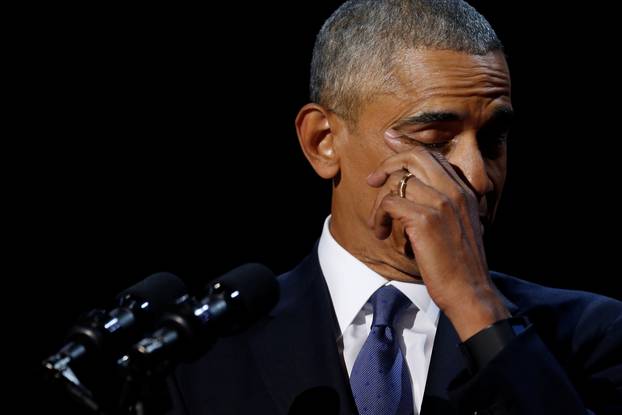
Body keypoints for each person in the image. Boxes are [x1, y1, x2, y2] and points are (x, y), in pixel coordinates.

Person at [167, 1, 622, 414]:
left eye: (493, 139)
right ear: (322, 142)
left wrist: (476, 306)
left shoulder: (594, 334)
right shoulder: (202, 350)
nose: (479, 178)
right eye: (434, 141)